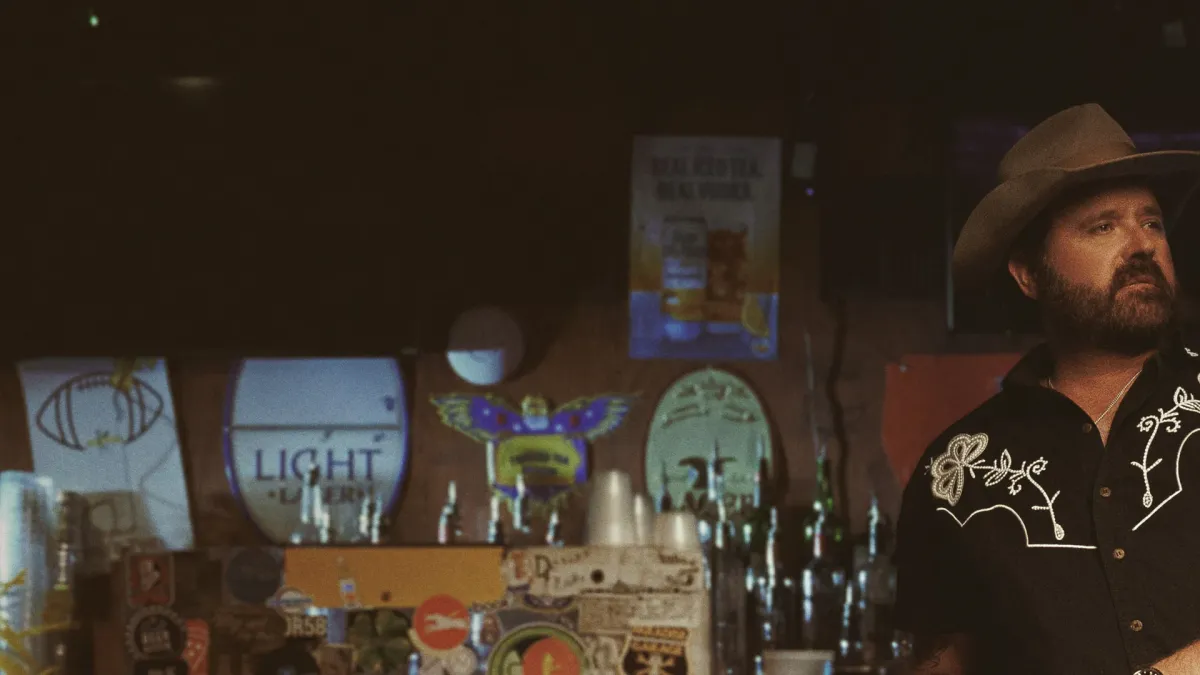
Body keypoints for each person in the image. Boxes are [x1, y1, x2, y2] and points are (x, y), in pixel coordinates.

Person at [894, 103, 1200, 674]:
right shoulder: (954, 474)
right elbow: (945, 661)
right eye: (1103, 226)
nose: (1142, 245)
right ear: (1029, 275)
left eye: (1152, 222)